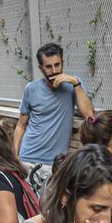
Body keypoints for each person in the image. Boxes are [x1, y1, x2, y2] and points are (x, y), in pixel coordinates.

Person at [13, 43, 94, 192]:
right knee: (30, 209)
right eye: (48, 66)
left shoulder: (72, 85)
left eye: (57, 65)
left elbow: (89, 114)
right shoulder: (31, 88)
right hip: (28, 159)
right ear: (41, 68)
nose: (54, 70)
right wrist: (15, 155)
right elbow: (21, 125)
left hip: (55, 164)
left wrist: (75, 83)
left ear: (63, 62)